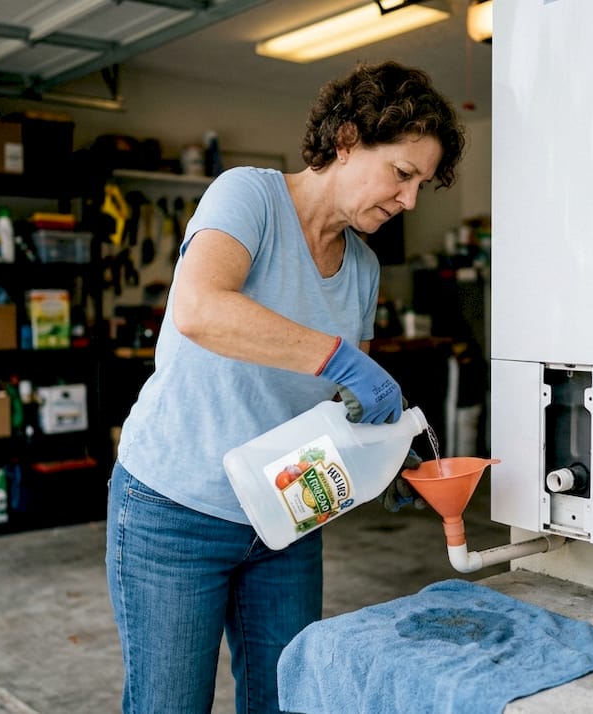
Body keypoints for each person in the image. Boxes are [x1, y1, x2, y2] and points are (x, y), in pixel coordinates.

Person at [106, 60, 466, 713]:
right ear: (348, 140)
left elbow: (318, 400)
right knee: (170, 705)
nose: (410, 200)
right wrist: (343, 361)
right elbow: (200, 309)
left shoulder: (362, 266)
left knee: (287, 700)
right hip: (174, 509)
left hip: (282, 516)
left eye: (421, 186)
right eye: (403, 174)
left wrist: (378, 451)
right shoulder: (248, 197)